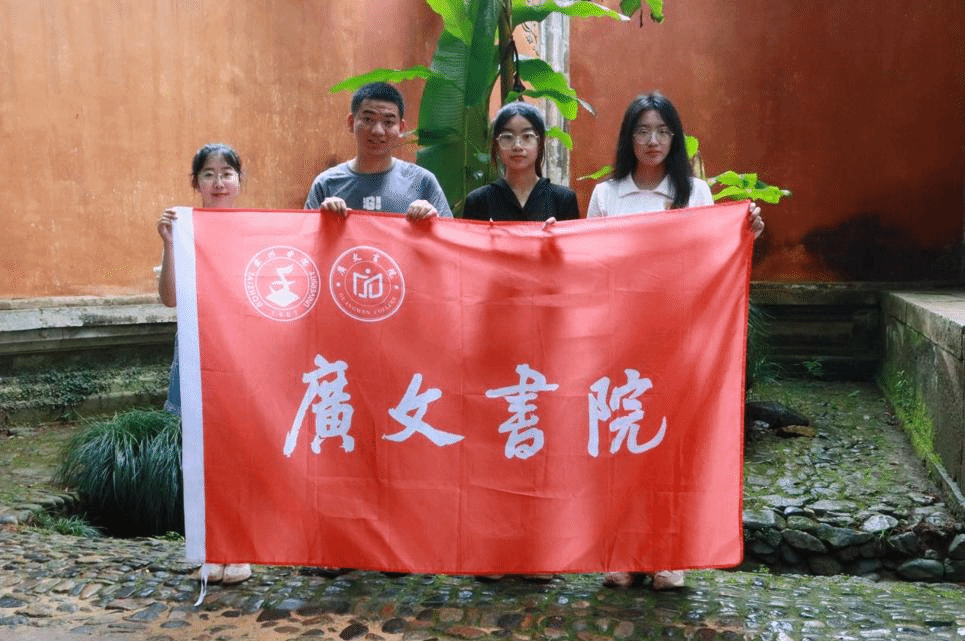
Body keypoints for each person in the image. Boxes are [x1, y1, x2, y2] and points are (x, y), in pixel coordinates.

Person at [587, 92, 764, 590]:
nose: (652, 140)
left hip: (678, 339)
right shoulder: (607, 194)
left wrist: (745, 231)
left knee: (671, 445)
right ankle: (621, 552)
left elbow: (711, 255)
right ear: (628, 137)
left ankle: (669, 554)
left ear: (675, 138)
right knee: (622, 444)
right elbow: (589, 261)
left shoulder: (695, 193)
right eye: (643, 130)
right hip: (620, 338)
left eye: (663, 131)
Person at [156, 142, 252, 586]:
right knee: (201, 452)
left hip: (243, 355)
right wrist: (169, 244)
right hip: (198, 351)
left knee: (242, 452)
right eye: (208, 174)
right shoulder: (184, 228)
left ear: (239, 181)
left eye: (226, 173)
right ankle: (210, 549)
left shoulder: (255, 231)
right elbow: (170, 298)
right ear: (195, 183)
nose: (218, 182)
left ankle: (241, 547)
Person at [304, 81, 453, 220]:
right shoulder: (327, 184)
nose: (378, 131)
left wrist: (433, 221)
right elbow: (305, 236)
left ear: (401, 128)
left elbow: (449, 236)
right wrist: (322, 219)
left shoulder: (423, 182)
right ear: (351, 122)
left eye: (388, 122)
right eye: (368, 120)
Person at [463, 101, 579, 223]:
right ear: (496, 145)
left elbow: (573, 236)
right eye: (508, 137)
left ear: (540, 143)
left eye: (527, 136)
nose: (517, 146)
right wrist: (484, 233)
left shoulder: (563, 199)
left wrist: (556, 233)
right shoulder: (478, 201)